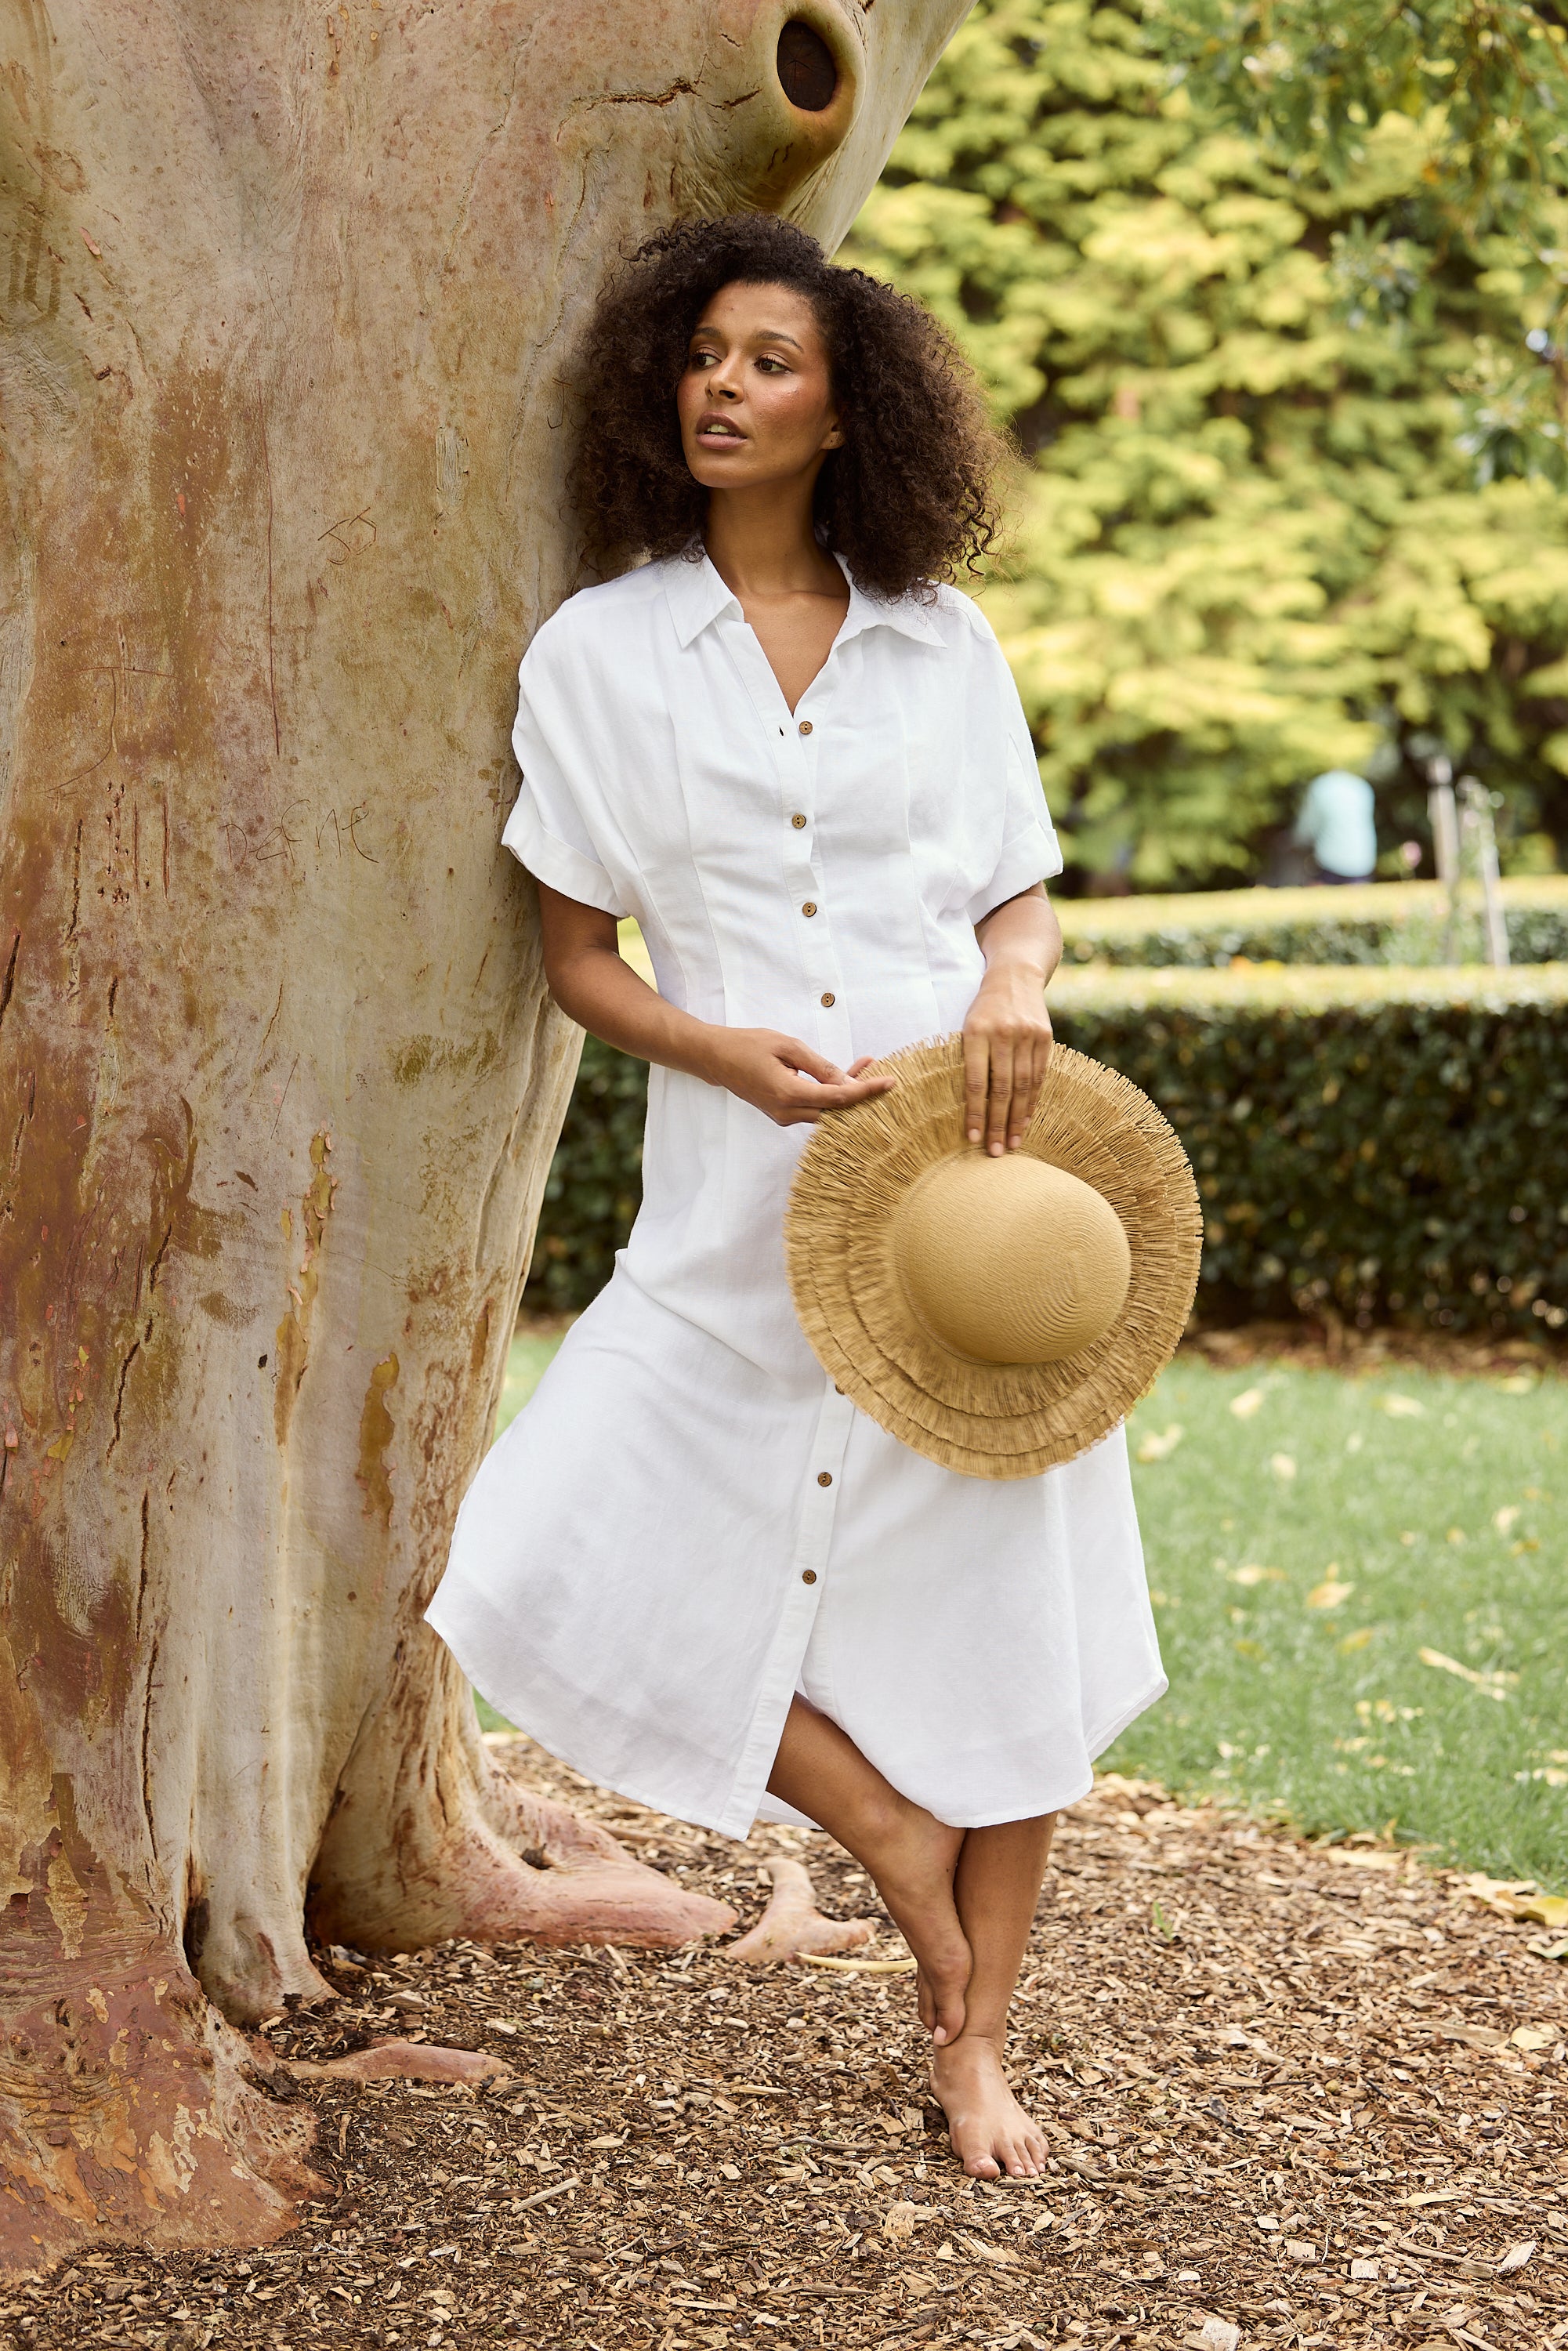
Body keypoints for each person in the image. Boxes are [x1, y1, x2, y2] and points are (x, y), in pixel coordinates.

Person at [425, 216, 1165, 2181]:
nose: (722, 388)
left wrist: (1011, 979)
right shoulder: (597, 648)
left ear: (851, 408)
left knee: (1010, 1599)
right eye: (701, 357)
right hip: (734, 1192)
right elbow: (577, 953)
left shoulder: (939, 638)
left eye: (767, 360)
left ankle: (973, 2043)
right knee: (539, 1542)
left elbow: (1015, 888)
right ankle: (887, 1834)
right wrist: (719, 1050)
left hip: (966, 1191)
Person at [1292, 768, 1377, 884]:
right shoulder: (1362, 787)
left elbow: (1306, 829)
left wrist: (1296, 841)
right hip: (1363, 862)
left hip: (1329, 863)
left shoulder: (1319, 787)